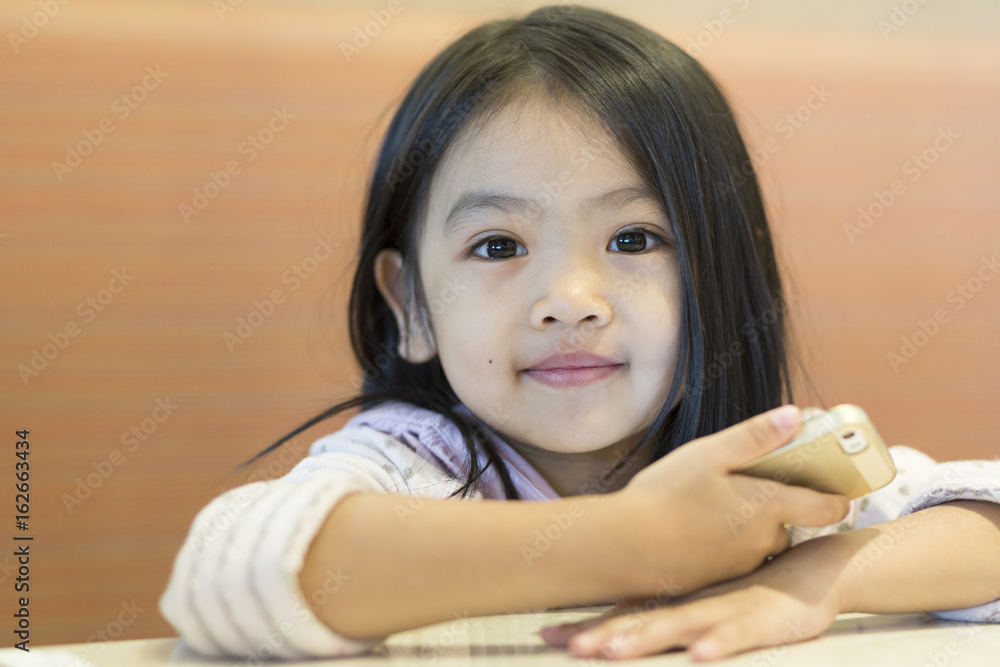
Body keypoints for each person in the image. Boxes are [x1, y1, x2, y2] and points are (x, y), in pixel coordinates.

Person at [159, 5, 1000, 662]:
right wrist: (635, 541)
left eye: (634, 238)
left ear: (721, 276)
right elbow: (228, 572)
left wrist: (826, 572)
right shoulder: (410, 466)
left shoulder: (762, 482)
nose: (568, 301)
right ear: (411, 304)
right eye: (498, 245)